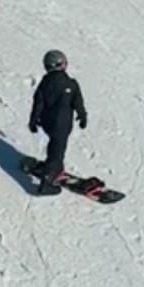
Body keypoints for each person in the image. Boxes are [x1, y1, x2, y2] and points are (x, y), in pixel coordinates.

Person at [28, 50, 87, 191]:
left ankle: (56, 167)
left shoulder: (44, 84)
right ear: (61, 64)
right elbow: (78, 102)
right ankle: (48, 179)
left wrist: (33, 121)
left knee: (54, 144)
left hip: (47, 123)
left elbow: (38, 103)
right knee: (58, 149)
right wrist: (82, 116)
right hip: (63, 124)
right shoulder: (71, 83)